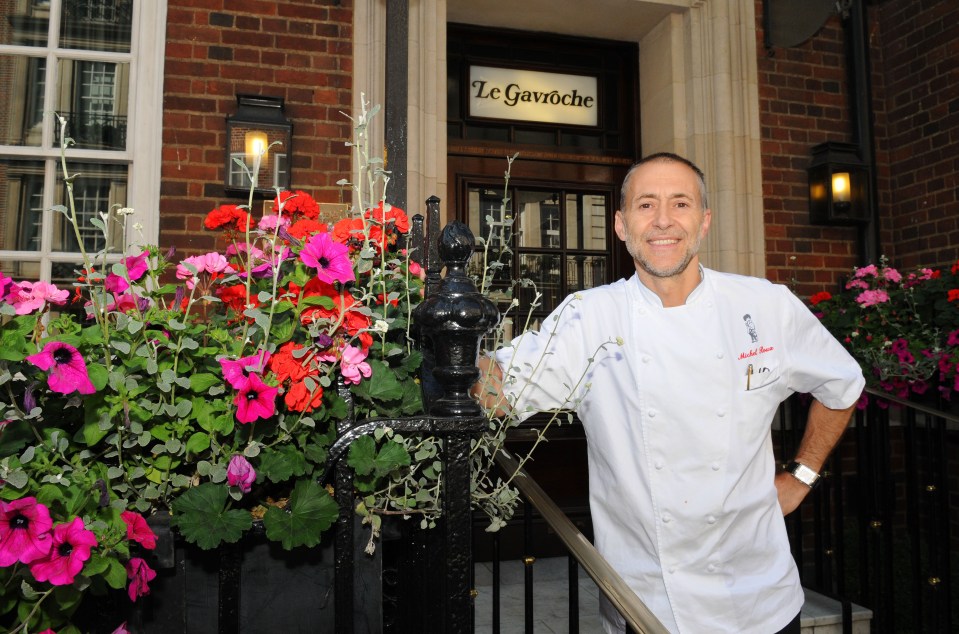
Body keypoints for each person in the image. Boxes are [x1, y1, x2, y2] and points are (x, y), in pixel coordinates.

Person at [476, 153, 865, 634]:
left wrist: (802, 475)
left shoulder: (764, 305)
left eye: (680, 204)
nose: (663, 220)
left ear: (704, 222)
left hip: (761, 600)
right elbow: (497, 392)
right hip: (646, 602)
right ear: (621, 225)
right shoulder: (589, 316)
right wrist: (427, 341)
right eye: (645, 205)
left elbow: (842, 384)